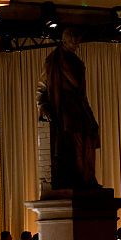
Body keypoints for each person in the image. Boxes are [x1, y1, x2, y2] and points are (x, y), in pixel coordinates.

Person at [37, 28, 100, 188]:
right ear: (65, 41)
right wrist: (43, 104)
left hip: (79, 106)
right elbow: (42, 86)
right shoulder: (53, 61)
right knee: (74, 142)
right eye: (73, 42)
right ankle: (78, 178)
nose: (76, 45)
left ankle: (87, 177)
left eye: (77, 42)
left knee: (89, 135)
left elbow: (82, 92)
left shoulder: (77, 62)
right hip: (63, 108)